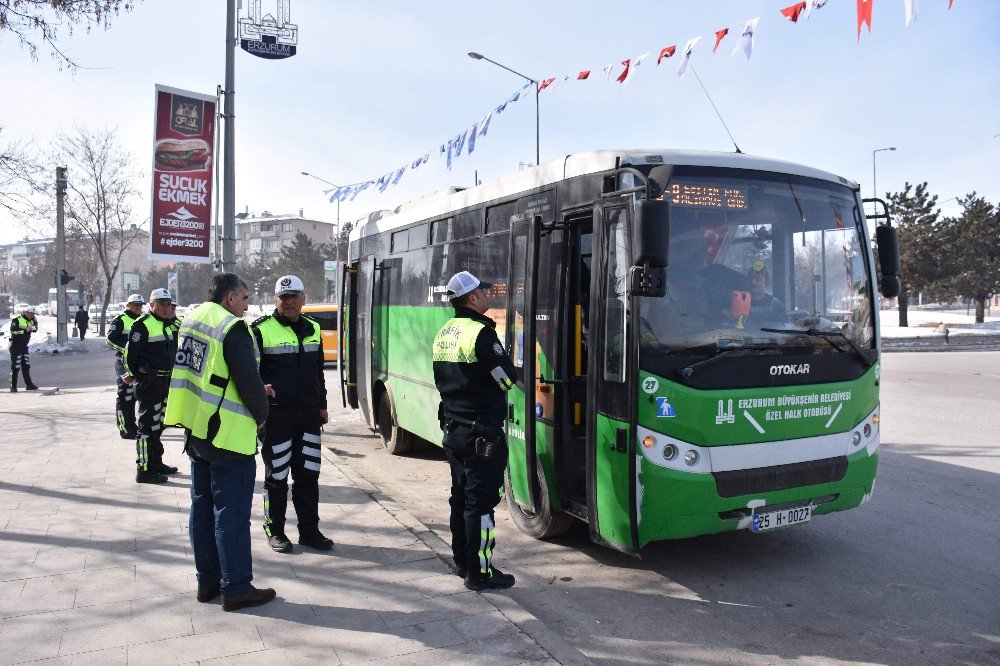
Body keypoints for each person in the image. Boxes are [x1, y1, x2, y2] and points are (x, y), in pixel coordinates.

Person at [165, 272, 276, 612]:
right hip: (227, 434)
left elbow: (208, 371)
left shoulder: (192, 319)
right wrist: (262, 410)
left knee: (202, 510)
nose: (246, 305)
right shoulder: (233, 327)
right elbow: (246, 378)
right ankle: (237, 587)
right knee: (231, 515)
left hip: (197, 428)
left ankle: (207, 582)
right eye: (244, 298)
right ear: (230, 298)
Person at [432, 270, 518, 592]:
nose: (486, 294)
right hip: (482, 434)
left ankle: (462, 561)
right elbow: (506, 380)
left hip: (453, 429)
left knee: (460, 498)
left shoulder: (444, 332)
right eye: (482, 291)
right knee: (480, 504)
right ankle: (480, 574)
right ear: (472, 298)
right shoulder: (480, 334)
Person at [251, 275, 332, 553]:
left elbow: (318, 372)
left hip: (308, 416)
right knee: (276, 477)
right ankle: (275, 531)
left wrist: (322, 405)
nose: (289, 302)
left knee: (309, 475)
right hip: (277, 418)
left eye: (294, 296)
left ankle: (309, 531)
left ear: (303, 298)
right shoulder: (260, 329)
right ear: (276, 300)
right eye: (283, 298)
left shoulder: (313, 328)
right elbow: (252, 374)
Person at [123, 288, 179, 483]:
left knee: (158, 425)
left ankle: (156, 463)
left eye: (168, 304)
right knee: (147, 427)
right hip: (150, 383)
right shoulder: (142, 325)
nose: (165, 308)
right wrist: (137, 375)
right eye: (161, 304)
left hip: (167, 382)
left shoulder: (171, 325)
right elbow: (131, 357)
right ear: (151, 305)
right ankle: (144, 469)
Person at [107, 294, 145, 439]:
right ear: (128, 305)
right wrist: (128, 349)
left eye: (140, 305)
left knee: (134, 395)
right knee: (125, 395)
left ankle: (132, 425)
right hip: (123, 361)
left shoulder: (142, 320)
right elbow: (110, 340)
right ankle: (124, 427)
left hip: (137, 362)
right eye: (135, 305)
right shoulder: (120, 320)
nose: (138, 307)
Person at [8, 305, 39, 392]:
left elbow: (35, 329)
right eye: (30, 314)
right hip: (15, 346)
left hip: (24, 346)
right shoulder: (17, 320)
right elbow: (13, 331)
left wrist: (35, 322)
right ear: (26, 312)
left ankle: (29, 385)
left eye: (33, 314)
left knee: (26, 366)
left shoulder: (31, 321)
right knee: (15, 366)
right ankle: (13, 386)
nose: (32, 315)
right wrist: (25, 330)